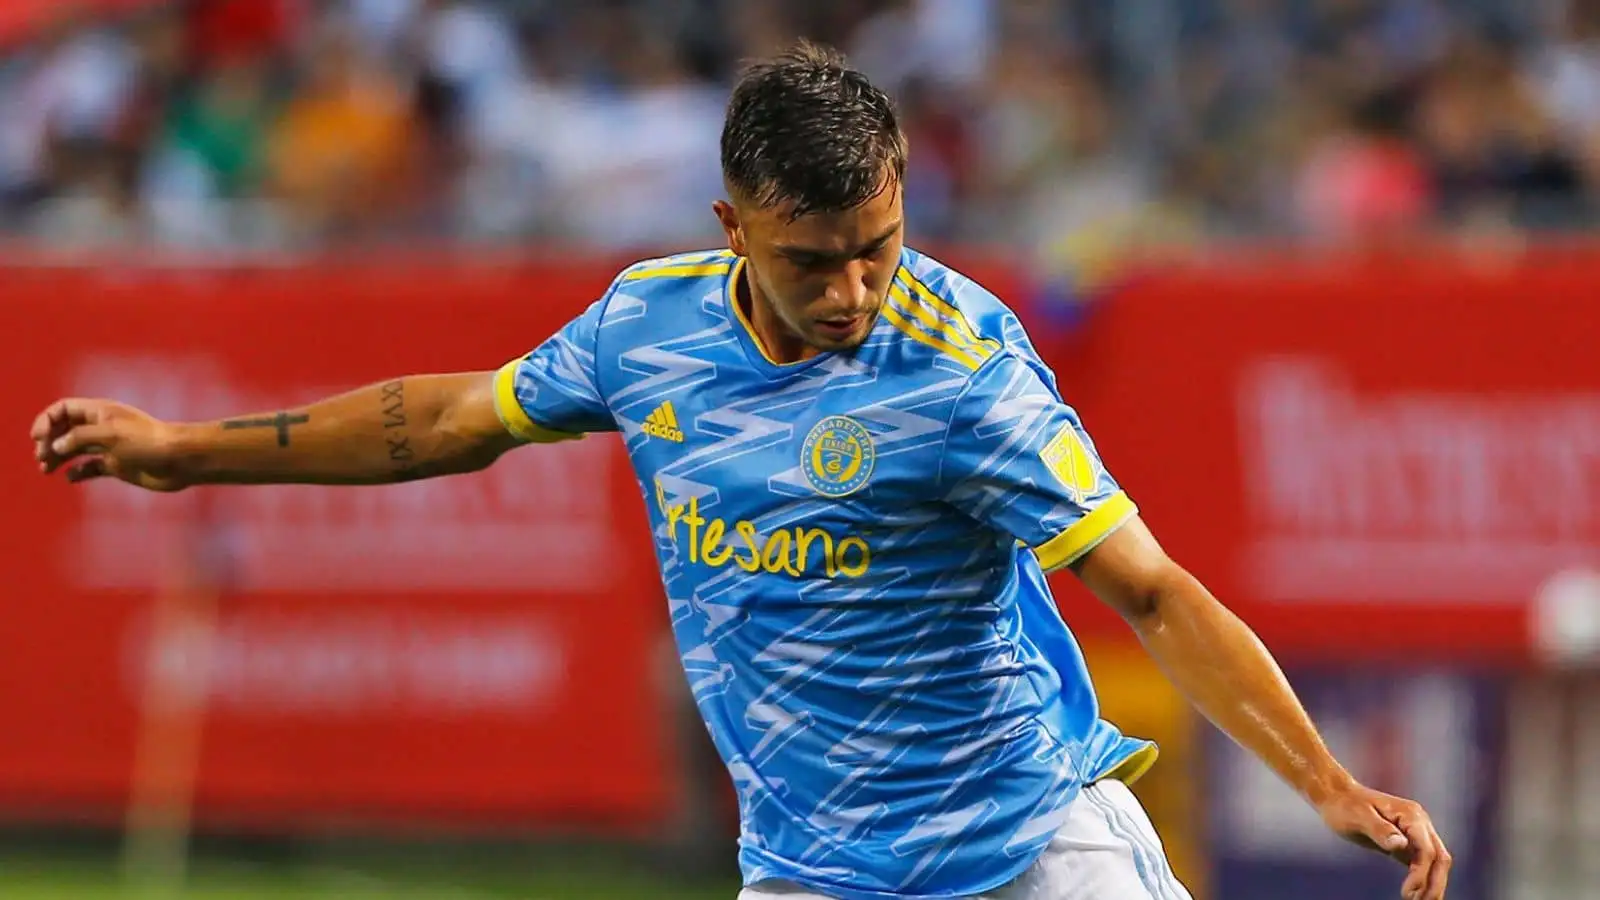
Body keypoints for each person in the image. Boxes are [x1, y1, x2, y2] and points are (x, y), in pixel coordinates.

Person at [30, 41, 1450, 900]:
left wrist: (1322, 781)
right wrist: (185, 449)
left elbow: (1146, 588)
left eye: (877, 249)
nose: (852, 291)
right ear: (733, 227)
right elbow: (453, 418)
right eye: (812, 258)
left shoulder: (963, 370)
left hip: (1032, 850)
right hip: (812, 868)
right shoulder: (647, 327)